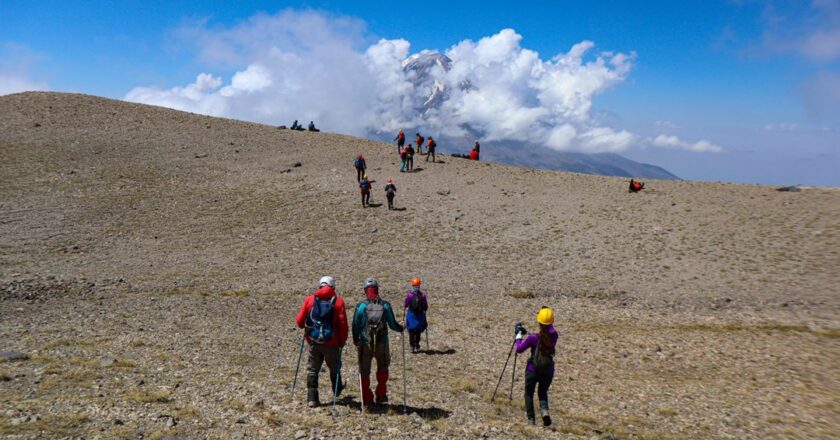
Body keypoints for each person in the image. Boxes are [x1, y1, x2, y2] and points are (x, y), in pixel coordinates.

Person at [295, 276, 349, 407]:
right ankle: (337, 391)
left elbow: (299, 321)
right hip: (332, 342)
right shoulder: (338, 302)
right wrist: (342, 340)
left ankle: (312, 398)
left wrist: (307, 330)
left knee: (313, 369)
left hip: (314, 342)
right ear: (332, 287)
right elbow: (343, 324)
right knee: (334, 367)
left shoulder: (310, 300)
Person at [352, 278, 405, 406]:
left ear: (365, 291)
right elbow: (392, 324)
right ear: (377, 289)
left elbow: (355, 325)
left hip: (365, 343)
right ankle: (381, 395)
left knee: (364, 371)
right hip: (382, 343)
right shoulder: (385, 305)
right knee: (383, 367)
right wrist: (401, 328)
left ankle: (367, 398)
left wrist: (356, 340)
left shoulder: (361, 306)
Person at [514, 307, 558, 426]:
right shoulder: (554, 337)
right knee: (542, 391)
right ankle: (544, 412)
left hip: (532, 370)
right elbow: (549, 331)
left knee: (529, 393)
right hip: (548, 371)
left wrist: (518, 335)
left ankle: (531, 420)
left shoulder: (533, 338)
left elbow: (519, 349)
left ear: (539, 322)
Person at [403, 277, 428, 353]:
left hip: (411, 314)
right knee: (418, 330)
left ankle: (412, 346)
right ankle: (417, 345)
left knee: (411, 330)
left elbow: (406, 305)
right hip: (420, 315)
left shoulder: (410, 295)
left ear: (412, 286)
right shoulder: (423, 295)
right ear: (419, 286)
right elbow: (425, 306)